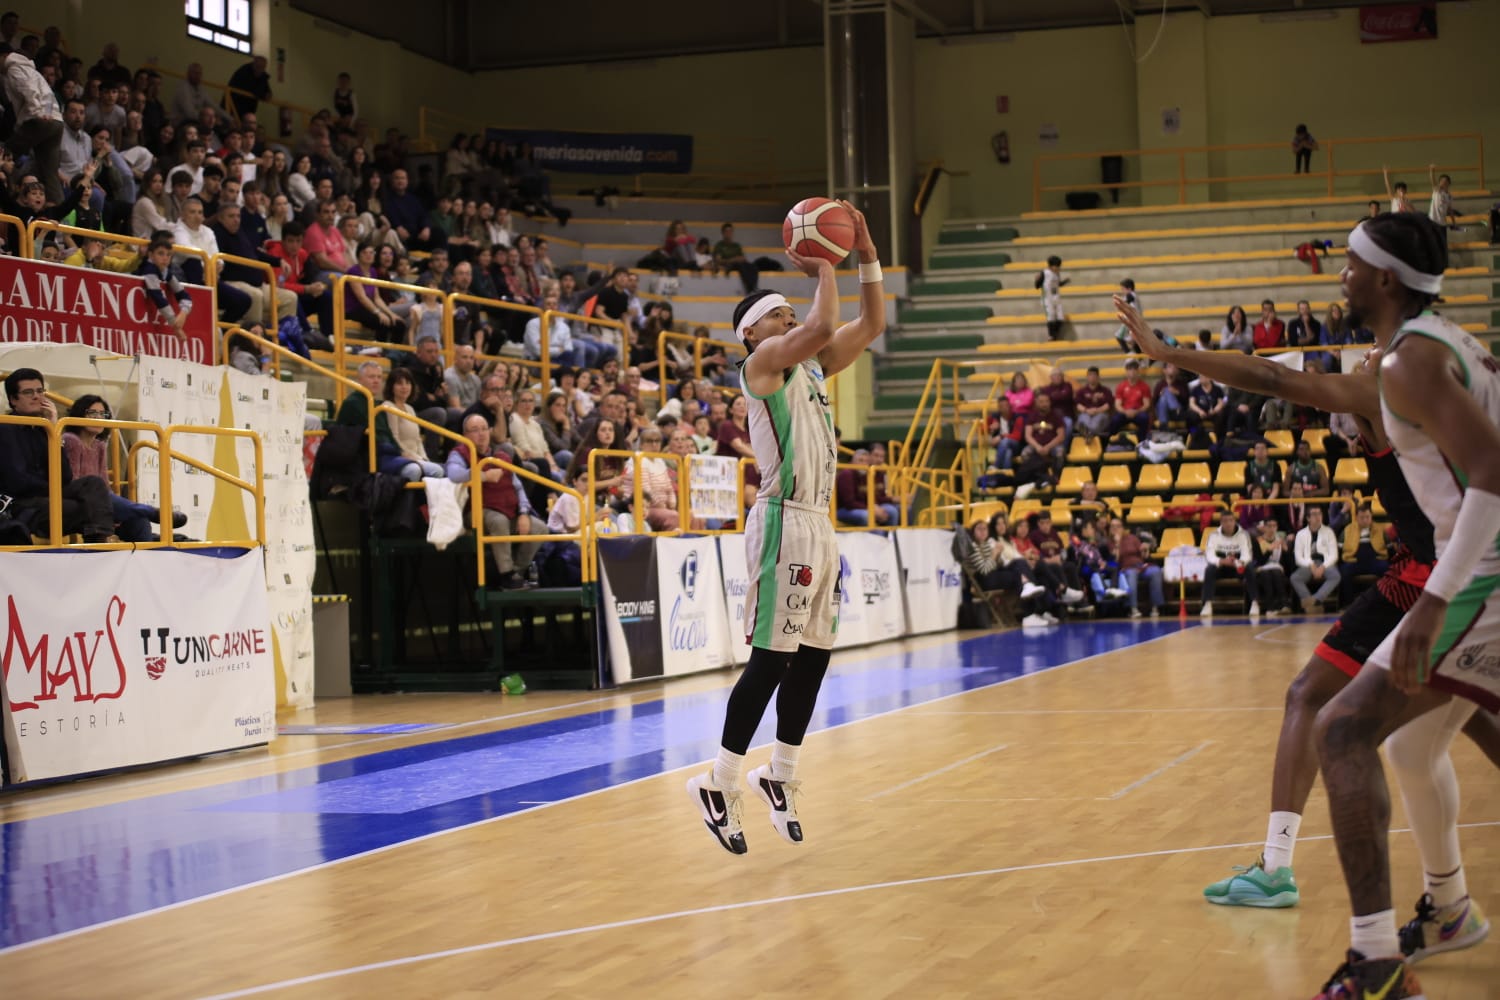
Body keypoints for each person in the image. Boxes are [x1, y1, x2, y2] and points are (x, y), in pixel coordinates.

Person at [1115, 219, 1500, 998]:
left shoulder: (1412, 359)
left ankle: (1375, 962)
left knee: (1343, 729)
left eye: (1352, 266)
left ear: (1386, 279)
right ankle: (1449, 908)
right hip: (1472, 571)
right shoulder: (1426, 352)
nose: (1341, 278)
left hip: (1475, 575)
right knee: (1412, 747)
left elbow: (1492, 464)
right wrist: (1167, 353)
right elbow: (1277, 380)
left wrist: (1434, 599)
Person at [686, 200, 884, 855]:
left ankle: (783, 772)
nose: (792, 318)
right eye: (779, 313)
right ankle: (718, 781)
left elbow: (870, 320)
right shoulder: (762, 366)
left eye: (789, 312)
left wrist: (868, 253)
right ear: (752, 332)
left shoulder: (815, 370)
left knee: (815, 657)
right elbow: (827, 317)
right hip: (780, 523)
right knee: (772, 658)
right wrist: (826, 263)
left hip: (819, 527)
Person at [0, 369, 115, 543]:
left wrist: (54, 431)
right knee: (82, 507)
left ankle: (98, 541)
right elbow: (18, 482)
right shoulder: (6, 428)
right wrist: (53, 488)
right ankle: (103, 540)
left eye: (40, 391)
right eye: (28, 392)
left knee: (93, 484)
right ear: (13, 400)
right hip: (20, 503)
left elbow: (65, 477)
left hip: (47, 495)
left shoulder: (44, 429)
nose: (37, 397)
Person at [447, 413, 547, 590]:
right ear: (465, 435)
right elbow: (453, 475)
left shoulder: (502, 457)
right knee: (498, 520)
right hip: (477, 513)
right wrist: (483, 475)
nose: (481, 434)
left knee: (540, 528)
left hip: (508, 510)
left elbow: (518, 487)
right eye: (475, 430)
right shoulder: (459, 454)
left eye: (484, 429)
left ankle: (516, 573)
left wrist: (523, 513)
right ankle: (506, 574)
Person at [1200, 508, 1257, 617]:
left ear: (1234, 521)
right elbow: (1210, 555)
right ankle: (1207, 604)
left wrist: (1239, 562)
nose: (1228, 523)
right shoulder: (1213, 535)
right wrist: (1222, 561)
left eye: (1231, 520)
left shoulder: (1243, 534)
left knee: (1249, 567)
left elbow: (1247, 555)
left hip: (1238, 566)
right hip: (1221, 567)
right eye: (1225, 521)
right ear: (1221, 522)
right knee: (1209, 569)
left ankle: (1254, 602)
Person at [1039, 255, 1067, 340]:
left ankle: (1055, 334)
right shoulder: (1044, 273)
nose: (1058, 268)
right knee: (1051, 317)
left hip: (1056, 297)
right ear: (1050, 266)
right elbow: (1037, 285)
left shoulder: (1057, 273)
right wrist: (1038, 280)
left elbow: (1058, 284)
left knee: (1060, 317)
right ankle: (1051, 336)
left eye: (1059, 266)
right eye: (1056, 266)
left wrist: (1065, 281)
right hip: (1047, 298)